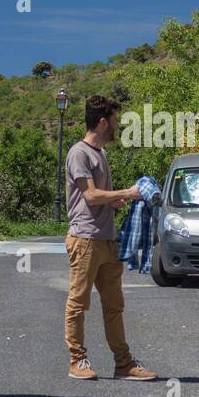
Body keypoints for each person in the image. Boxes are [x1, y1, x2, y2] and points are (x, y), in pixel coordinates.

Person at [63, 95, 158, 381]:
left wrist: (117, 200)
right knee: (78, 303)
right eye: (115, 120)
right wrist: (126, 193)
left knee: (114, 306)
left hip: (107, 240)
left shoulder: (101, 155)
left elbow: (100, 196)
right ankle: (77, 360)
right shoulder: (79, 153)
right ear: (103, 122)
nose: (117, 125)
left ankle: (123, 363)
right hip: (85, 239)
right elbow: (90, 196)